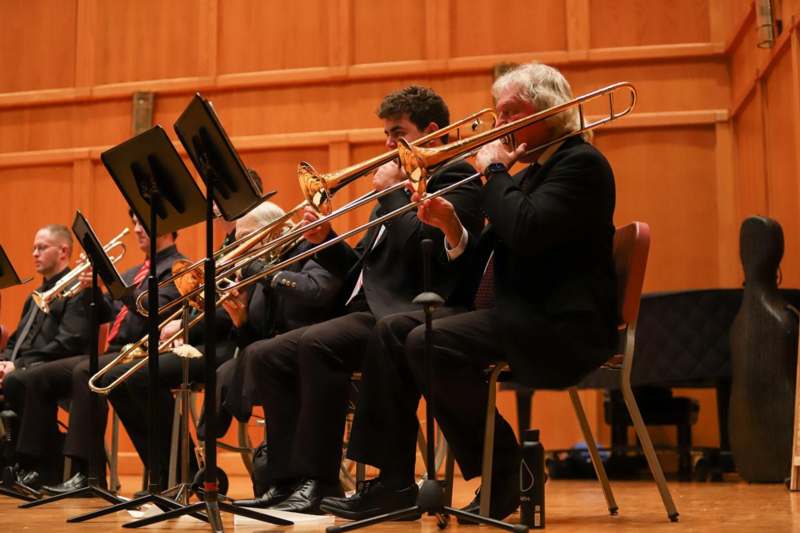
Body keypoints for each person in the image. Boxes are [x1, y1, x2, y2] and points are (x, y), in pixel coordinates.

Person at [321, 62, 618, 522]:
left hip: (560, 322)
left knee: (428, 340)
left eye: (509, 113)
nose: (499, 125)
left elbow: (524, 229)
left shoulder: (581, 164)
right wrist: (451, 227)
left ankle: (505, 472)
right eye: (498, 114)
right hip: (520, 312)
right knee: (395, 329)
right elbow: (487, 253)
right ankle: (394, 483)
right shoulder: (532, 171)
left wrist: (496, 169)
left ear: (548, 111)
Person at [242, 85, 484, 514]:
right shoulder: (396, 179)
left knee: (318, 345)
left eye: (398, 133)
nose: (388, 144)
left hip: (412, 308)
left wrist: (393, 193)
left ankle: (319, 480)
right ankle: (286, 478)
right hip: (367, 309)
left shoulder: (455, 176)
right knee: (266, 353)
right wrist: (326, 240)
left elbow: (427, 250)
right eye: (387, 134)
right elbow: (361, 267)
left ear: (431, 130)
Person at [18, 210, 185, 494]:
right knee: (35, 376)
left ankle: (88, 473)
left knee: (87, 371)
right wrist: (92, 290)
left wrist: (111, 285)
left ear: (166, 225)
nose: (135, 229)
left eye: (142, 222)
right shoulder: (132, 273)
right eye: (133, 222)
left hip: (144, 351)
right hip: (116, 352)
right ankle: (38, 468)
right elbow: (107, 314)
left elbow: (152, 312)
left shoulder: (177, 268)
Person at [0, 225, 92, 488]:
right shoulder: (35, 296)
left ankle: (37, 463)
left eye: (41, 247)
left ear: (63, 251)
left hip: (57, 368)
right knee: (15, 377)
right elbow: (19, 339)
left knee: (21, 380)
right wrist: (5, 360)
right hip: (25, 367)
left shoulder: (75, 290)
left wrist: (17, 365)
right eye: (33, 248)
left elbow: (69, 340)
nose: (34, 254)